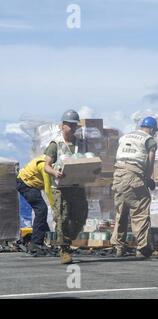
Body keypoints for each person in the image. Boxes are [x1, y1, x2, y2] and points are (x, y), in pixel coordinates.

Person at [44, 109, 89, 264]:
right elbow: (46, 166)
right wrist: (55, 173)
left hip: (77, 187)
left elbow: (87, 161)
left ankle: (68, 239)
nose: (72, 127)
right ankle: (64, 250)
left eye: (75, 125)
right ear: (62, 125)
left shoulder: (81, 144)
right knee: (62, 218)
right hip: (61, 188)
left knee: (81, 217)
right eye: (69, 124)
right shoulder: (55, 144)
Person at [111, 116, 158, 258]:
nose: (154, 133)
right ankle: (143, 248)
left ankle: (119, 247)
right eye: (154, 131)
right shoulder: (149, 140)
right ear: (151, 129)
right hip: (134, 175)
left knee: (121, 211)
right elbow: (150, 160)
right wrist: (148, 178)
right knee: (140, 211)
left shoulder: (126, 136)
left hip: (118, 175)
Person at [16, 155, 54, 252]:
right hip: (26, 184)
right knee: (41, 209)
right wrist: (54, 207)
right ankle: (36, 243)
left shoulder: (47, 160)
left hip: (30, 184)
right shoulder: (44, 166)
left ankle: (45, 238)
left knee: (41, 211)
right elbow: (48, 189)